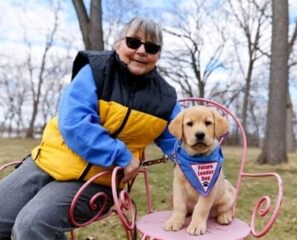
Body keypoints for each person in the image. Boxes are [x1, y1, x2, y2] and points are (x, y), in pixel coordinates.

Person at [0, 17, 181, 239]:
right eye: (133, 42)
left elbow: (185, 144)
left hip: (98, 181)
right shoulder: (94, 71)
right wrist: (121, 155)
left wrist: (211, 177)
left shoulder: (165, 99)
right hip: (46, 163)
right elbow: (74, 124)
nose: (141, 51)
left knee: (31, 226)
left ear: (158, 56)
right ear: (118, 44)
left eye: (151, 47)